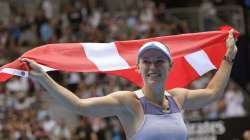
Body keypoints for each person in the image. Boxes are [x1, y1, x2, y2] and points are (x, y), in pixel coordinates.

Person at [21, 29, 237, 140]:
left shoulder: (178, 98)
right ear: (138, 68)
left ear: (170, 66)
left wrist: (228, 57)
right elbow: (78, 105)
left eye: (159, 61)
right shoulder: (128, 103)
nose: (153, 67)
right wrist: (43, 78)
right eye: (147, 62)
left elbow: (213, 91)